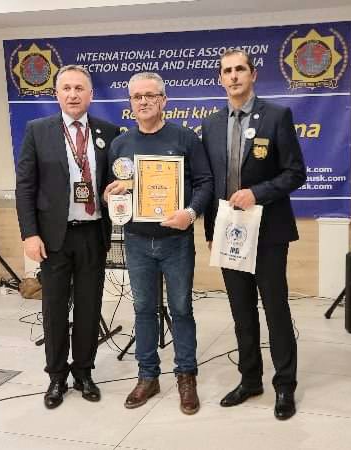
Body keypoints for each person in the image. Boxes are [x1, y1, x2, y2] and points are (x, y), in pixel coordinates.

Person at [202, 49, 307, 420]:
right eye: (226, 71)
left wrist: (257, 193)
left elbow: (295, 172)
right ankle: (250, 380)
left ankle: (285, 385)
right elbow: (209, 182)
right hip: (229, 232)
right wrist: (211, 230)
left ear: (253, 74)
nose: (233, 76)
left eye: (239, 69)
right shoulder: (211, 124)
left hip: (268, 231)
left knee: (275, 309)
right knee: (241, 311)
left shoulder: (276, 116)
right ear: (220, 78)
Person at [104, 72, 213, 415]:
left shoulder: (185, 138)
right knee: (143, 310)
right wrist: (112, 195)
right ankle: (148, 376)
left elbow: (205, 182)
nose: (144, 101)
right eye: (137, 97)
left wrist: (191, 213)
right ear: (130, 103)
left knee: (181, 309)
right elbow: (115, 188)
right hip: (136, 240)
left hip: (176, 241)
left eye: (151, 95)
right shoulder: (121, 145)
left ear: (164, 100)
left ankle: (186, 376)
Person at [15, 64, 120, 409]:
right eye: (67, 88)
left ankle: (84, 372)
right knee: (55, 309)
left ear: (91, 95)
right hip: (53, 238)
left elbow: (115, 180)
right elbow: (25, 186)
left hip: (93, 233)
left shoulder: (108, 132)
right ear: (56, 94)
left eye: (79, 88)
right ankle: (57, 376)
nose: (73, 95)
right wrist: (30, 233)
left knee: (89, 308)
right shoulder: (38, 130)